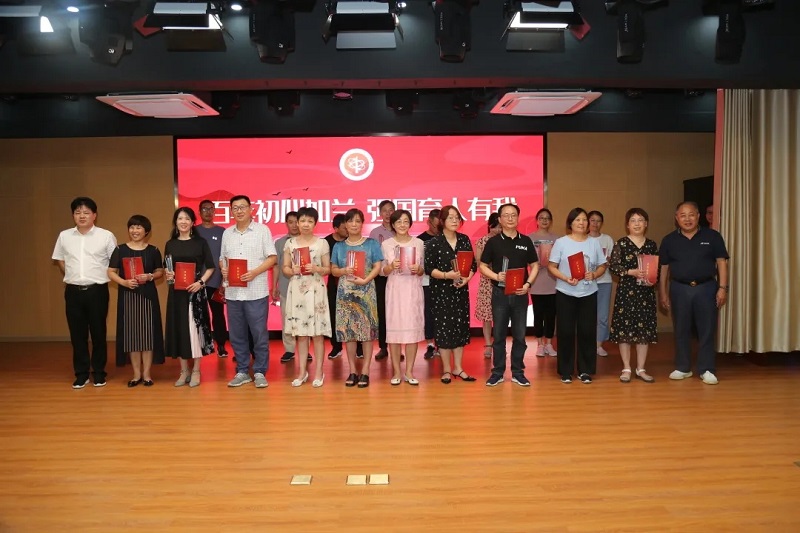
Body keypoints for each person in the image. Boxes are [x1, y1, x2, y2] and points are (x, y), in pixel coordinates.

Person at [659, 201, 729, 385]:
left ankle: (707, 369)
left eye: (691, 215)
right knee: (681, 329)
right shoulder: (669, 240)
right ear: (676, 218)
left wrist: (723, 288)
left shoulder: (712, 236)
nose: (687, 219)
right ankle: (683, 367)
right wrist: (663, 293)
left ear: (698, 216)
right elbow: (664, 268)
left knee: (707, 329)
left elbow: (721, 262)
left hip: (706, 288)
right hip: (679, 288)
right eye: (683, 215)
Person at [52, 197, 117, 388]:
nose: (82, 216)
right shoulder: (64, 236)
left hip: (97, 291)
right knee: (77, 334)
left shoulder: (106, 236)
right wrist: (72, 274)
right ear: (73, 215)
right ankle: (81, 373)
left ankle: (99, 372)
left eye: (86, 212)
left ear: (94, 215)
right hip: (73, 291)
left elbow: (114, 263)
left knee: (98, 333)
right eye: (78, 212)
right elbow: (60, 259)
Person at [220, 195, 278, 389]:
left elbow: (272, 258)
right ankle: (243, 371)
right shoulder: (227, 233)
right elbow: (222, 258)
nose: (239, 211)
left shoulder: (262, 230)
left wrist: (254, 272)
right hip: (233, 293)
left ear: (251, 209)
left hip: (256, 292)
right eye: (235, 208)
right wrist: (224, 268)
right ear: (231, 211)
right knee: (236, 334)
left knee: (259, 334)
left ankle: (260, 371)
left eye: (242, 207)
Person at [480, 204, 540, 387]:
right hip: (500, 294)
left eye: (513, 215)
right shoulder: (493, 242)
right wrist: (496, 276)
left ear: (518, 218)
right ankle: (497, 372)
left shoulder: (526, 241)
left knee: (520, 335)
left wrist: (528, 284)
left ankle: (518, 372)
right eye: (506, 215)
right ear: (499, 219)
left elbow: (535, 265)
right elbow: (482, 266)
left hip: (520, 294)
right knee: (499, 335)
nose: (510, 218)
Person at [547, 207, 607, 384]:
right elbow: (551, 266)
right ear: (570, 223)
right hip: (566, 292)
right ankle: (566, 371)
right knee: (565, 331)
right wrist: (565, 278)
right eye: (577, 220)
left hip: (589, 292)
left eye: (584, 220)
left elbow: (603, 265)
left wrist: (594, 274)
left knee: (587, 331)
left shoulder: (594, 243)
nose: (582, 223)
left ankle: (585, 370)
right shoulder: (561, 242)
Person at [107, 215, 165, 387]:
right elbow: (110, 271)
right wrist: (124, 282)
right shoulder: (120, 249)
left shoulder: (153, 250)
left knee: (147, 336)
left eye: (139, 227)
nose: (135, 230)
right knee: (132, 336)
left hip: (148, 296)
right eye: (132, 227)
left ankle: (147, 374)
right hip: (128, 296)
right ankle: (136, 375)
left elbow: (160, 271)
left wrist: (150, 276)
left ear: (146, 231)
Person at [330, 208, 383, 388]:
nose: (354, 224)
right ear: (345, 224)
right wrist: (344, 271)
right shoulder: (339, 246)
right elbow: (333, 270)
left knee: (367, 333)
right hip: (345, 293)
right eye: (350, 221)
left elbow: (377, 266)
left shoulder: (371, 244)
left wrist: (366, 280)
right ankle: (352, 370)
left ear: (362, 224)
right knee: (349, 334)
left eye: (358, 221)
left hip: (367, 291)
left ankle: (366, 371)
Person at [163, 207, 215, 387]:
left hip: (195, 293)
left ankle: (196, 370)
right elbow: (167, 267)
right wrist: (169, 274)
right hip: (176, 293)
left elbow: (210, 267)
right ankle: (183, 370)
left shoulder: (200, 243)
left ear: (193, 222)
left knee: (195, 331)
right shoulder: (170, 244)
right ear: (175, 222)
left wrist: (200, 282)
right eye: (180, 218)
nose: (183, 222)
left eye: (187, 218)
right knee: (180, 329)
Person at [424, 205, 476, 384]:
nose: (454, 221)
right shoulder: (434, 243)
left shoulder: (464, 240)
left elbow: (473, 264)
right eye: (450, 217)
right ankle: (446, 369)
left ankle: (458, 368)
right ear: (442, 221)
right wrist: (448, 275)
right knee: (444, 330)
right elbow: (429, 269)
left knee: (460, 328)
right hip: (441, 292)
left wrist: (466, 279)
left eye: (457, 217)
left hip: (460, 291)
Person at [607, 208, 658, 383]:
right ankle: (626, 368)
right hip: (626, 293)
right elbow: (613, 266)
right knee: (625, 331)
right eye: (633, 220)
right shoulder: (621, 243)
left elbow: (656, 267)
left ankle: (641, 369)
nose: (637, 224)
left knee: (644, 332)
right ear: (627, 225)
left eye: (640, 220)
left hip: (645, 293)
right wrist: (631, 272)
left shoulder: (651, 245)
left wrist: (653, 277)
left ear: (646, 224)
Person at [282, 207, 331, 387]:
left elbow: (328, 269)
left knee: (317, 335)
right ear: (297, 223)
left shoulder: (322, 243)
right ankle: (302, 372)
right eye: (302, 220)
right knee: (301, 335)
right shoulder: (290, 243)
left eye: (310, 221)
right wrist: (292, 270)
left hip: (316, 290)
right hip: (297, 290)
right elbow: (285, 268)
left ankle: (319, 372)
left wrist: (317, 268)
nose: (305, 224)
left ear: (315, 224)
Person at [381, 209, 425, 385]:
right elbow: (383, 271)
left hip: (412, 290)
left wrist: (418, 269)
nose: (402, 225)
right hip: (395, 291)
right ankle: (397, 372)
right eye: (398, 221)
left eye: (406, 221)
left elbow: (423, 270)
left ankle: (409, 371)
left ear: (410, 224)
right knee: (394, 332)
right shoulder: (387, 244)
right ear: (393, 224)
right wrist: (391, 266)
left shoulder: (419, 243)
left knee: (412, 331)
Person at [195, 199, 229, 358]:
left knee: (218, 315)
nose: (208, 212)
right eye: (204, 209)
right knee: (199, 315)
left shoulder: (222, 232)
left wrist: (224, 280)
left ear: (215, 211)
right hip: (197, 281)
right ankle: (201, 345)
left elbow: (226, 256)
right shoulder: (194, 231)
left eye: (211, 209)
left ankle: (221, 345)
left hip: (216, 281)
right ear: (199, 212)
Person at [528, 208, 559, 357]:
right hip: (536, 283)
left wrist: (552, 264)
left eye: (547, 218)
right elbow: (526, 259)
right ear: (537, 220)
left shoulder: (557, 239)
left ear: (550, 221)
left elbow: (561, 259)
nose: (544, 220)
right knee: (538, 315)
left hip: (552, 282)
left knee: (551, 316)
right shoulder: (530, 238)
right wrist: (535, 264)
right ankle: (540, 344)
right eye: (541, 218)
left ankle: (549, 344)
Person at [272, 211, 300, 363]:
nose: (294, 225)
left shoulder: (307, 241)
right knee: (286, 319)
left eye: (297, 222)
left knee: (304, 319)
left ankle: (304, 349)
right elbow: (276, 266)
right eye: (291, 222)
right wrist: (274, 286)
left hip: (304, 288)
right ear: (286, 224)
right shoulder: (280, 243)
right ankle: (289, 349)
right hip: (285, 286)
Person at [369, 199, 395, 360]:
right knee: (382, 311)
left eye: (391, 210)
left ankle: (397, 347)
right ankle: (383, 347)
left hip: (398, 277)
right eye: (385, 210)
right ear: (380, 213)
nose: (388, 213)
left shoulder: (400, 230)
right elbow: (371, 256)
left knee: (396, 312)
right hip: (380, 277)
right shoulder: (374, 233)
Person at [474, 213, 501, 358]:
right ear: (489, 226)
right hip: (486, 283)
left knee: (501, 315)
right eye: (494, 227)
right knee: (487, 317)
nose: (497, 230)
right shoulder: (482, 241)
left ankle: (499, 344)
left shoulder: (505, 241)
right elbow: (478, 262)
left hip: (501, 282)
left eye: (500, 227)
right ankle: (488, 344)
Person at [588, 210, 615, 357]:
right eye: (592, 220)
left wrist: (609, 262)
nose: (595, 223)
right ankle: (587, 344)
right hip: (586, 282)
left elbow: (612, 260)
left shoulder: (607, 239)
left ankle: (598, 345)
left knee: (602, 316)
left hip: (604, 281)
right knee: (587, 316)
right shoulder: (583, 238)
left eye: (598, 221)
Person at [417, 208, 441, 360]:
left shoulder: (446, 238)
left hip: (444, 282)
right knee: (429, 314)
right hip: (426, 282)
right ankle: (430, 345)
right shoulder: (420, 240)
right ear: (428, 222)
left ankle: (442, 344)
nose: (438, 229)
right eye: (435, 225)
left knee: (442, 314)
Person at [324, 213, 348, 359]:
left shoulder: (351, 241)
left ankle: (358, 347)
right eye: (345, 228)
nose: (348, 230)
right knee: (334, 315)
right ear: (336, 228)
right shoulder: (326, 243)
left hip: (352, 283)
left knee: (353, 315)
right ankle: (336, 347)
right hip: (334, 284)